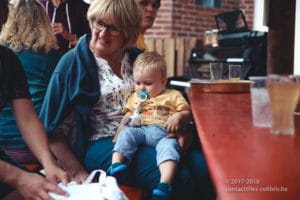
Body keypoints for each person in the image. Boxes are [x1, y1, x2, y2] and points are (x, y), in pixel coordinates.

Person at [39, 0, 214, 199]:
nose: (103, 34)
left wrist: (184, 132)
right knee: (178, 178)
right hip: (104, 144)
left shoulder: (136, 58)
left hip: (153, 131)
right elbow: (49, 128)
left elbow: (168, 98)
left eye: (114, 29)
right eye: (99, 23)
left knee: (203, 167)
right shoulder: (73, 63)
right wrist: (79, 172)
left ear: (128, 33)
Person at [0, 0, 69, 199]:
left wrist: (49, 163)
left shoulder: (8, 59)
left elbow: (27, 118)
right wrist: (18, 177)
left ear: (6, 15)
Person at [109, 52, 193, 199]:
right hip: (142, 130)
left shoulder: (172, 95)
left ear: (163, 81)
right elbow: (128, 115)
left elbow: (187, 113)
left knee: (169, 150)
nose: (141, 88)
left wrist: (178, 116)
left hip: (164, 133)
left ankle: (164, 184)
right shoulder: (135, 98)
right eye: (138, 83)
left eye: (148, 84)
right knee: (127, 134)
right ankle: (116, 164)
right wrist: (120, 130)